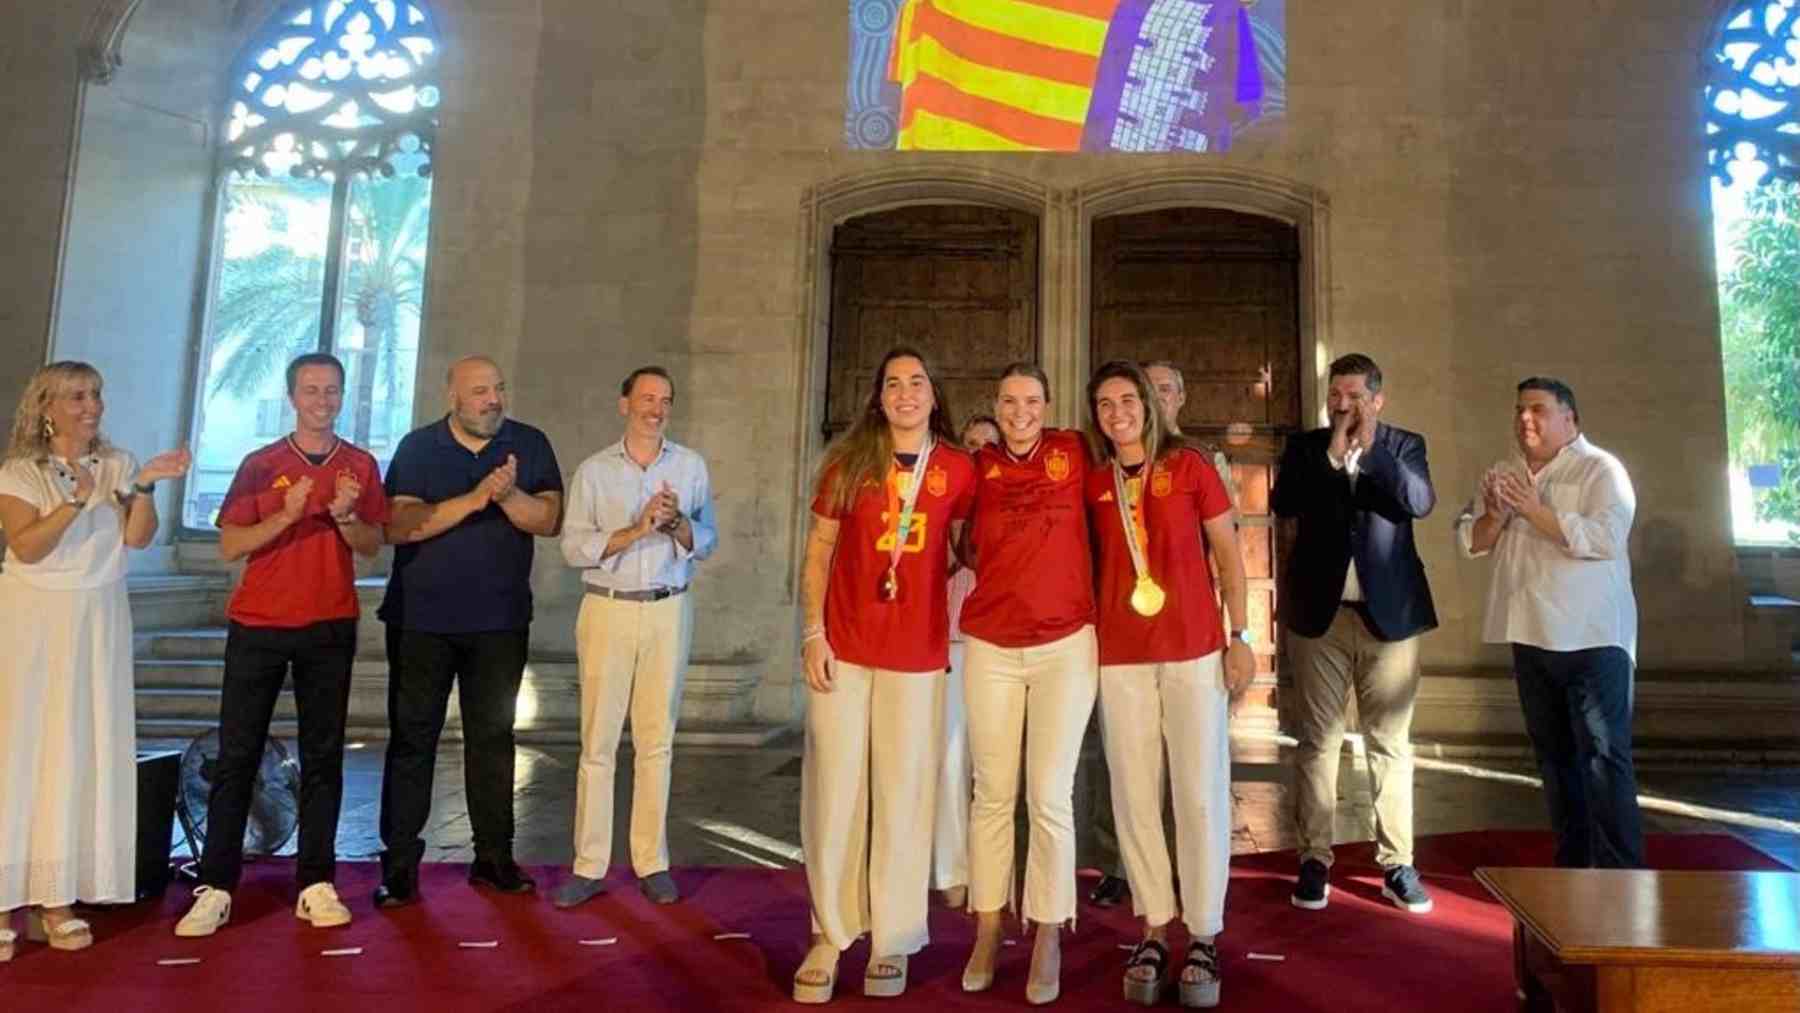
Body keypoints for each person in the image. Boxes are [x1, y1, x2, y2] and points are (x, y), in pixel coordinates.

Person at [176, 353, 389, 937]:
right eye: (311, 389)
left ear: (342, 397)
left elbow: (372, 544)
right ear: (293, 396)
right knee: (237, 755)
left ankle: (315, 882)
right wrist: (288, 514)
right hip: (259, 625)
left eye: (332, 390)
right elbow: (230, 545)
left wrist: (344, 516)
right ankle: (216, 885)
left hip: (329, 623)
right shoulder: (260, 463)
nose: (322, 399)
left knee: (324, 756)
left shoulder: (360, 465)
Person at [793, 347, 977, 1003]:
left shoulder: (957, 467)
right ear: (878, 397)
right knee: (835, 790)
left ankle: (892, 937)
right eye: (892, 382)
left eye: (917, 382)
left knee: (903, 798)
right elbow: (817, 551)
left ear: (934, 396)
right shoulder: (849, 462)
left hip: (919, 656)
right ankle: (829, 931)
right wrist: (812, 632)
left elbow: (975, 547)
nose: (905, 392)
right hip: (843, 648)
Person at [0, 362, 188, 960]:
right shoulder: (19, 471)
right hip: (34, 620)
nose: (92, 405)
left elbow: (136, 539)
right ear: (46, 406)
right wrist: (73, 503)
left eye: (97, 395)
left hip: (98, 616)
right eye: (78, 396)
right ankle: (5, 899)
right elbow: (26, 547)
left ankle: (57, 898)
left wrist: (149, 486)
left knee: (75, 750)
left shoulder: (117, 464)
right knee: (20, 751)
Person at [1085, 361, 1252, 1008]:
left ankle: (1204, 930)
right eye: (1105, 402)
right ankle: (1154, 923)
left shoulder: (1189, 467)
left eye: (1128, 398)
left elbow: (1231, 558)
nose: (1118, 410)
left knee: (1199, 792)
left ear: (1151, 405)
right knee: (1132, 792)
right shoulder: (1095, 481)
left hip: (1191, 648)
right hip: (1121, 654)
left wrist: (1241, 638)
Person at [373, 355, 563, 907]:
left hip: (499, 623)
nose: (493, 399)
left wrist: (508, 495)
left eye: (498, 389)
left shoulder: (530, 444)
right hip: (420, 623)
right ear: (452, 398)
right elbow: (400, 525)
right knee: (412, 742)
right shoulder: (418, 448)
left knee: (493, 742)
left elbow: (547, 520)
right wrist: (477, 498)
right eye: (479, 391)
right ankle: (401, 865)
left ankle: (494, 858)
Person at [1270, 353, 1438, 915]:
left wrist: (1374, 455)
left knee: (1390, 743)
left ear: (1377, 400)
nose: (1342, 406)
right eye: (1335, 395)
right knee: (1317, 743)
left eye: (1354, 397)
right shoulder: (1305, 448)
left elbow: (1419, 502)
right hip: (1319, 618)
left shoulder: (1405, 445)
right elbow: (1283, 502)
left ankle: (1396, 864)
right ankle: (1314, 858)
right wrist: (1332, 457)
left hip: (1388, 619)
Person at [1457, 377, 1643, 868]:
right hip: (1530, 634)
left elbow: (1605, 538)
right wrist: (1496, 515)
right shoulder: (1504, 471)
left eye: (1538, 409)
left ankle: (1622, 877)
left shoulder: (1601, 470)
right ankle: (1574, 868)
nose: (1524, 419)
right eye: (1519, 409)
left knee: (1603, 758)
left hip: (1593, 638)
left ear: (1570, 419)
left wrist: (1534, 510)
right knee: (1555, 761)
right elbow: (1472, 541)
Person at [959, 362, 1099, 1005]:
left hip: (1065, 644)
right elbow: (950, 535)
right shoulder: (978, 464)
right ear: (996, 404)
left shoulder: (1074, 449)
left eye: (1032, 400)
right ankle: (988, 924)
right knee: (992, 793)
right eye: (1009, 400)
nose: (1021, 411)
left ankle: (1047, 927)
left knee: (1048, 794)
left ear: (1048, 405)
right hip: (990, 642)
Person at [553, 366, 717, 908]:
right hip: (609, 608)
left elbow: (707, 539)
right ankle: (589, 863)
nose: (656, 408)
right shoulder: (595, 472)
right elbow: (574, 549)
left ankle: (652, 862)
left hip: (668, 609)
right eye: (646, 398)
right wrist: (639, 528)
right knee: (598, 742)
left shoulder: (689, 466)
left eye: (665, 399)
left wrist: (675, 526)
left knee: (657, 740)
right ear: (624, 404)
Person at [934, 413, 999, 911]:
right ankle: (952, 871)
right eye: (970, 443)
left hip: (999, 643)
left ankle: (994, 873)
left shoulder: (1010, 500)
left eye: (988, 444)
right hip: (953, 641)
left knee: (995, 769)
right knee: (952, 761)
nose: (978, 451)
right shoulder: (945, 500)